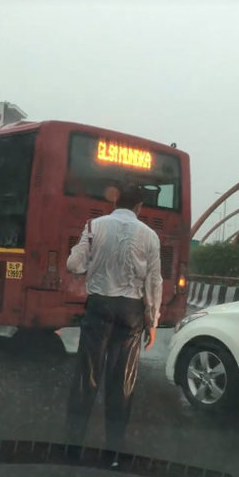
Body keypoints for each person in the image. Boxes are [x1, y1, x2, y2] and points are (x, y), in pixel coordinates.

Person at [64, 182, 163, 459]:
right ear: (139, 206)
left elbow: (74, 265)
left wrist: (91, 266)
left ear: (115, 201)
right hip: (131, 313)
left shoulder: (94, 226)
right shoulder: (150, 236)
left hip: (99, 307)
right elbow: (154, 283)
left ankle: (71, 449)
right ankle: (114, 454)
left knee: (87, 377)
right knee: (122, 383)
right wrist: (152, 321)